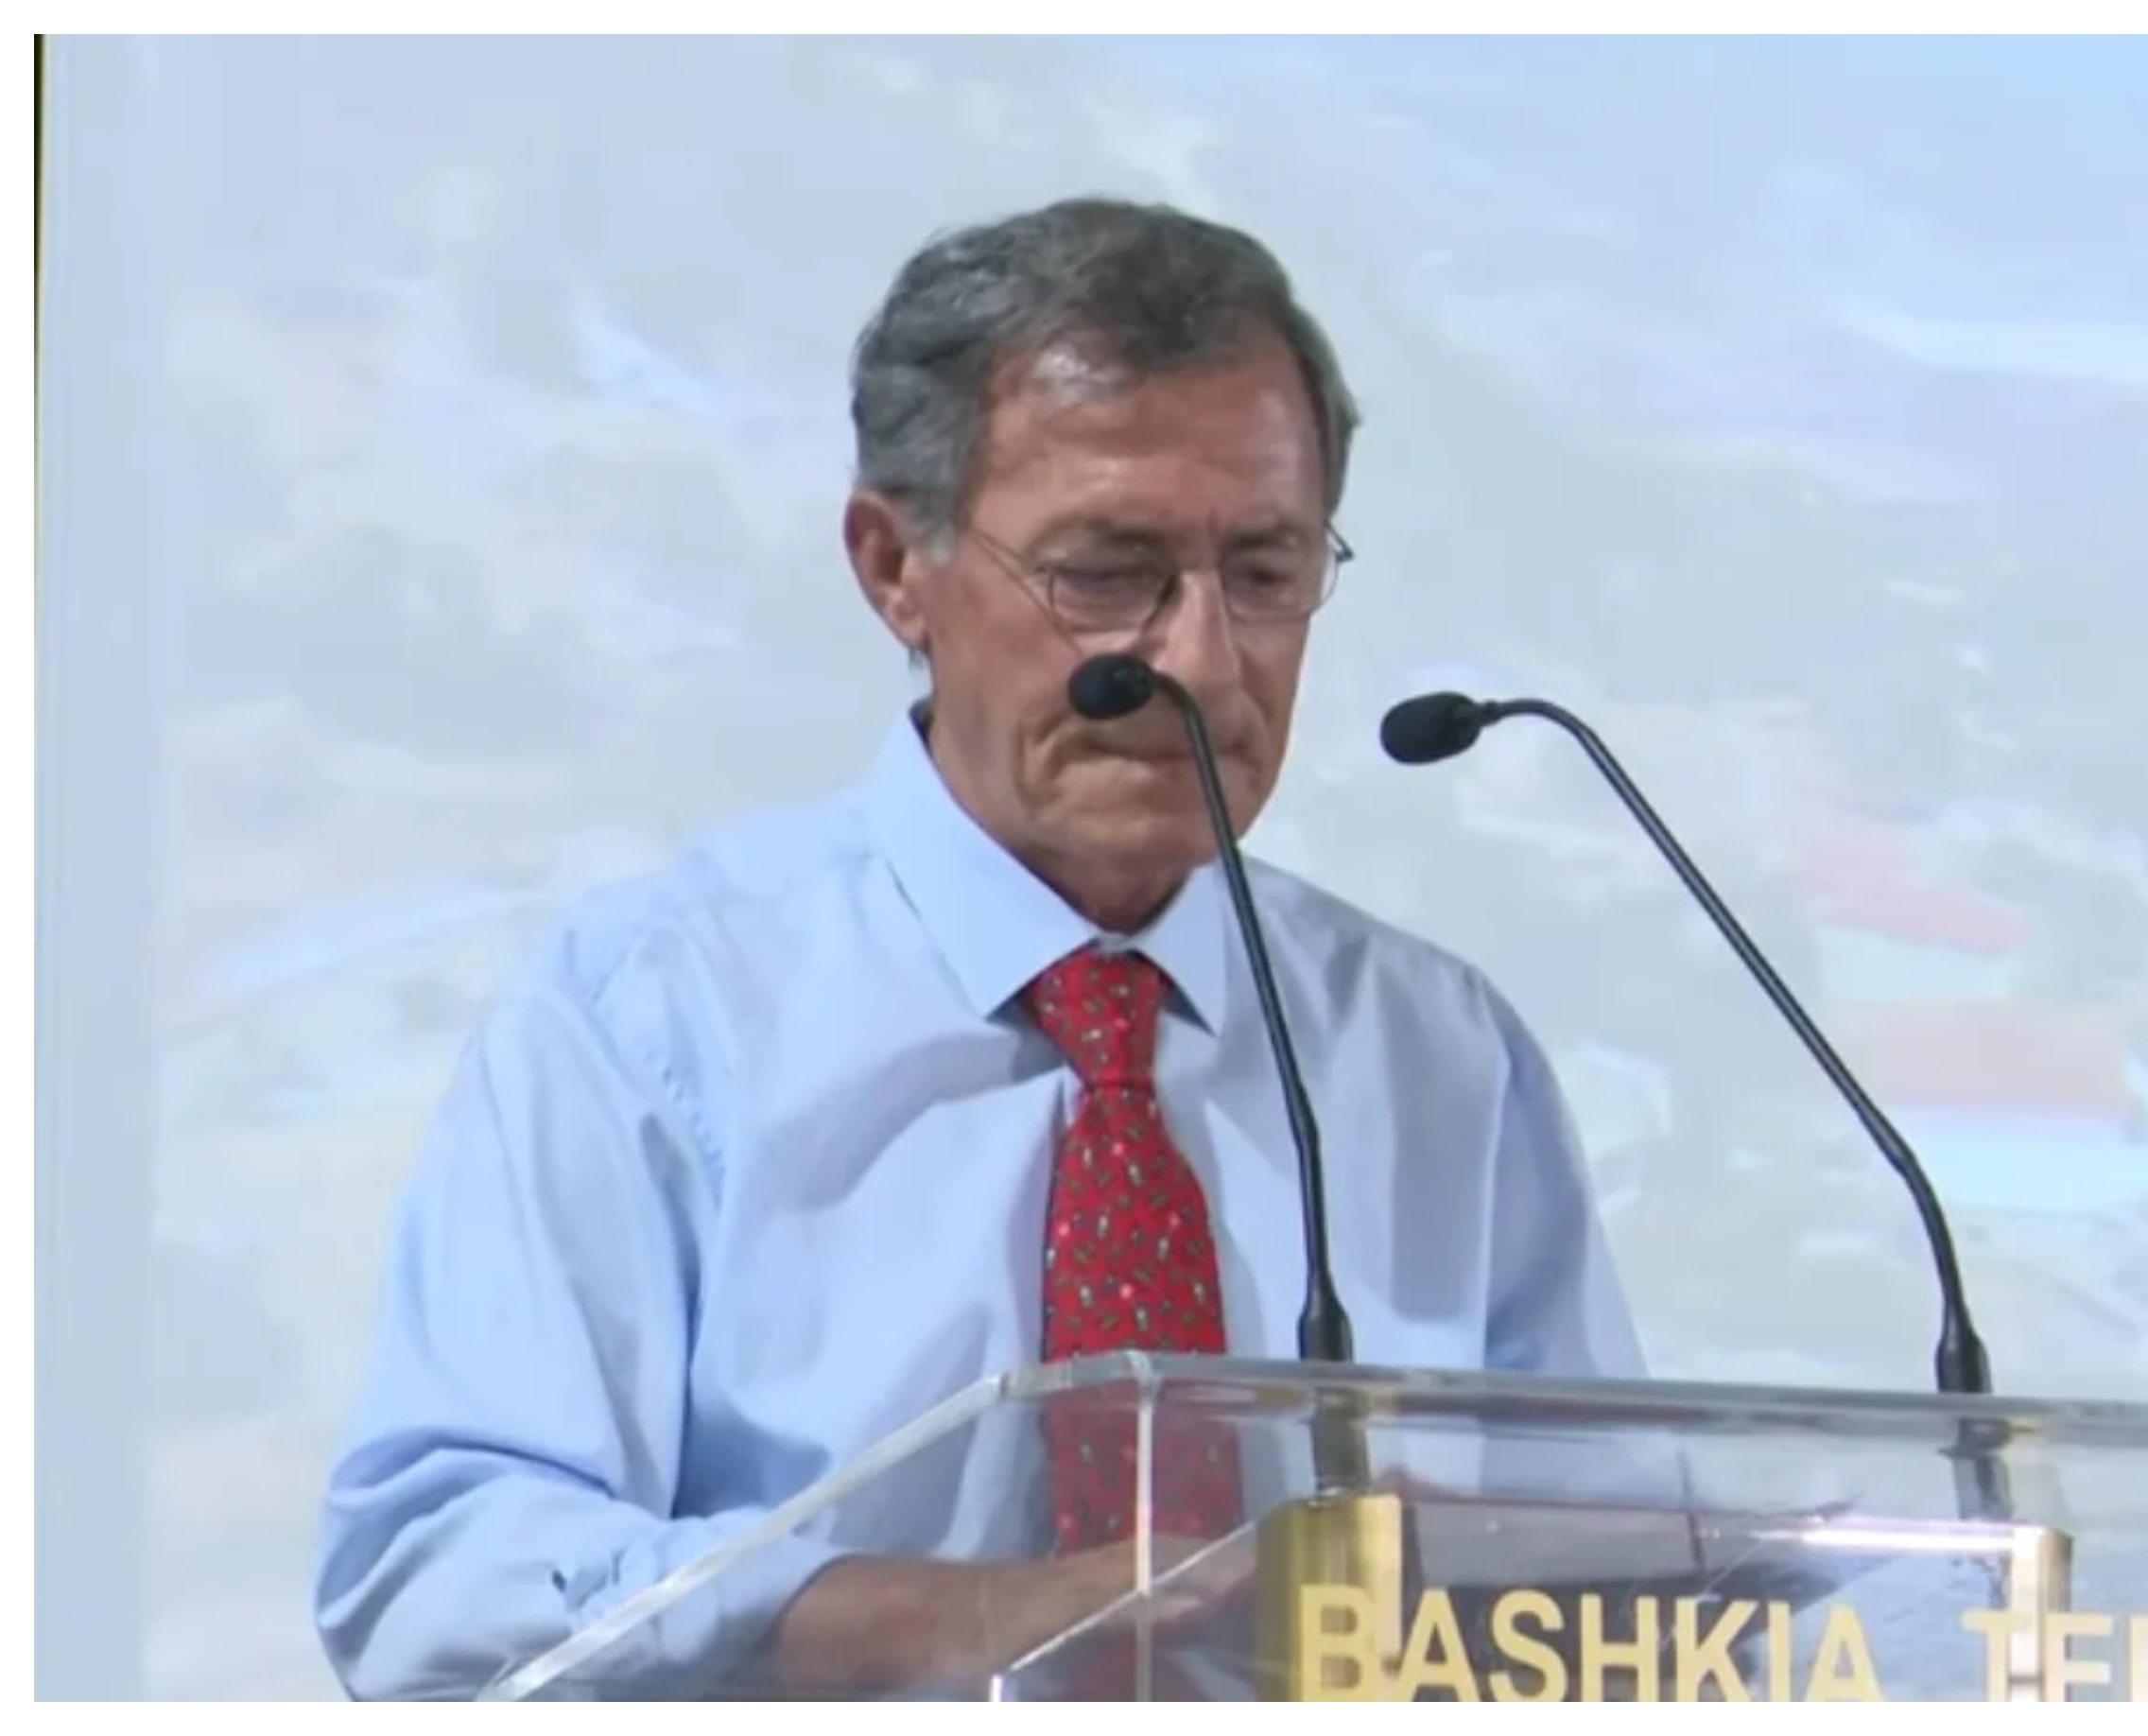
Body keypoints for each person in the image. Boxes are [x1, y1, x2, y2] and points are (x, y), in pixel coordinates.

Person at [312, 198, 1647, 1701]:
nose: (1204, 661)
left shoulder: (1435, 1052)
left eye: (1266, 574)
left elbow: (1636, 1583)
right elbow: (438, 1576)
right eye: (1107, 573)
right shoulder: (652, 1016)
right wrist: (991, 1616)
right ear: (894, 564)